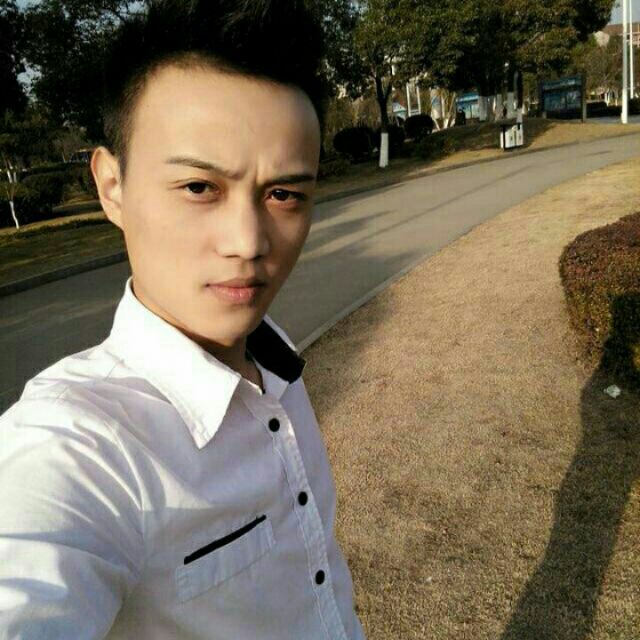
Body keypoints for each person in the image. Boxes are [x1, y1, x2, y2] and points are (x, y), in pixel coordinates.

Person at [0, 1, 366, 638]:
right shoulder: (77, 444)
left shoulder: (274, 359)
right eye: (200, 188)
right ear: (111, 186)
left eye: (284, 194)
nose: (248, 242)